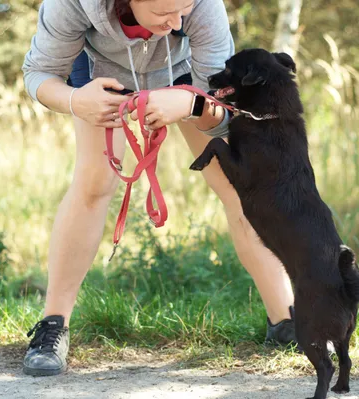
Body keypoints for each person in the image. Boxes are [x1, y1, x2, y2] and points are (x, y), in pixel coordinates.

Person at [21, 0, 297, 376]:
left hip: (185, 75)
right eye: (165, 11)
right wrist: (75, 100)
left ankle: (287, 321)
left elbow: (224, 112)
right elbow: (39, 73)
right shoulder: (71, 4)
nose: (179, 19)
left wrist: (191, 103)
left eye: (185, 7)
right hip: (99, 75)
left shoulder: (200, 8)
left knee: (238, 185)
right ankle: (52, 327)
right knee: (94, 184)